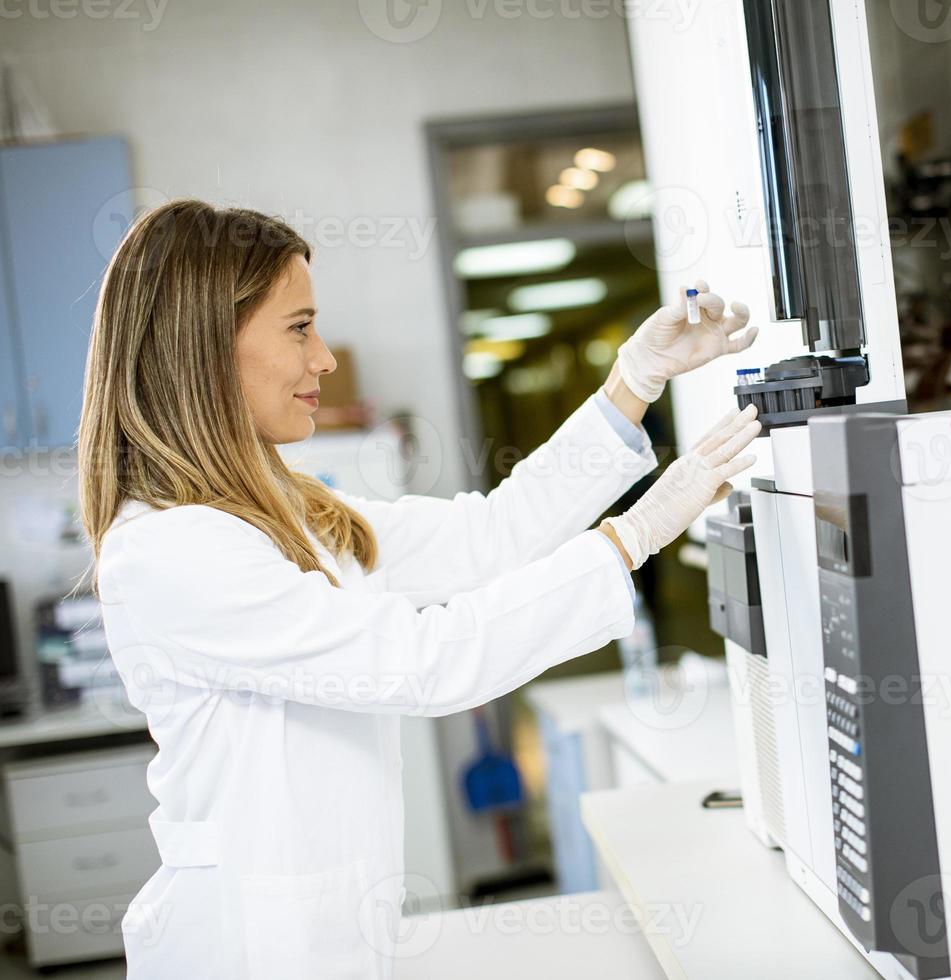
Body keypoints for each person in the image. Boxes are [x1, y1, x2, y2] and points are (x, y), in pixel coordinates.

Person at [77, 199, 761, 978]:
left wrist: (631, 383)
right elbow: (422, 665)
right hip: (247, 950)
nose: (325, 359)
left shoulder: (284, 512)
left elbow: (488, 538)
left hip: (334, 937)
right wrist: (635, 534)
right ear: (203, 348)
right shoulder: (170, 551)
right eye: (299, 327)